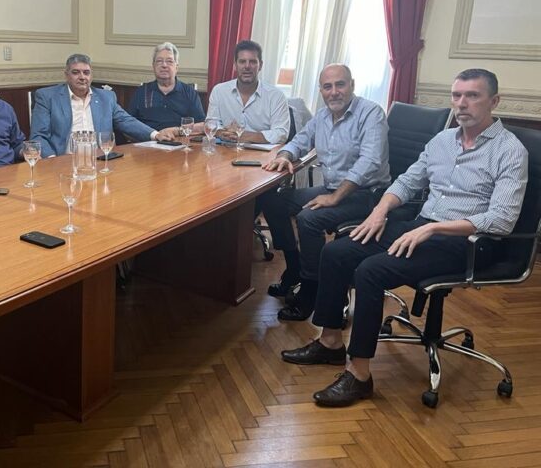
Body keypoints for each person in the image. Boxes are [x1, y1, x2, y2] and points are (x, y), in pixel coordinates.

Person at [281, 69, 528, 408]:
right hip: (422, 225)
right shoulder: (442, 141)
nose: (461, 104)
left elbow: (501, 219)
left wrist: (432, 228)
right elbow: (406, 182)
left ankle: (359, 375)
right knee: (337, 252)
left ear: (494, 101)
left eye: (472, 96)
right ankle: (330, 342)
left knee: (371, 270)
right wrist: (380, 211)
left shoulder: (509, 151)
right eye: (456, 96)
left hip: (471, 243)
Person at [260, 64, 390, 321]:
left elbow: (370, 162)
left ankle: (311, 289)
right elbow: (300, 141)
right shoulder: (322, 116)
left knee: (309, 218)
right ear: (320, 90)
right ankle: (295, 269)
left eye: (340, 85)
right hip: (333, 188)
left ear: (352, 85)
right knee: (273, 200)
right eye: (327, 87)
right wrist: (285, 155)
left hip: (368, 196)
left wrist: (335, 197)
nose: (334, 92)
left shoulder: (371, 113)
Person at [30, 53, 178, 157]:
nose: (82, 77)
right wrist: (52, 160)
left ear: (91, 75)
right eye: (76, 72)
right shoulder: (47, 97)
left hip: (100, 161)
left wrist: (156, 134)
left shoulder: (106, 97)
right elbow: (38, 136)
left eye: (86, 73)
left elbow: (126, 120)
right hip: (63, 161)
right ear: (66, 75)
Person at [206, 40, 290, 146]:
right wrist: (222, 133)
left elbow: (281, 133)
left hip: (262, 157)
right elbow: (211, 124)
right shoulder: (219, 91)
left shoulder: (276, 96)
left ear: (260, 65)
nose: (247, 66)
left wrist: (243, 135)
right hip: (226, 151)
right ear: (235, 65)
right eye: (242, 61)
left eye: (253, 62)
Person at [128, 42, 205, 131]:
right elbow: (129, 123)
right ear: (153, 66)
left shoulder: (189, 92)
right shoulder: (141, 92)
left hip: (180, 142)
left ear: (176, 67)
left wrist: (176, 131)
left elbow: (201, 125)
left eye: (169, 61)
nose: (164, 65)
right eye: (159, 61)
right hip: (147, 142)